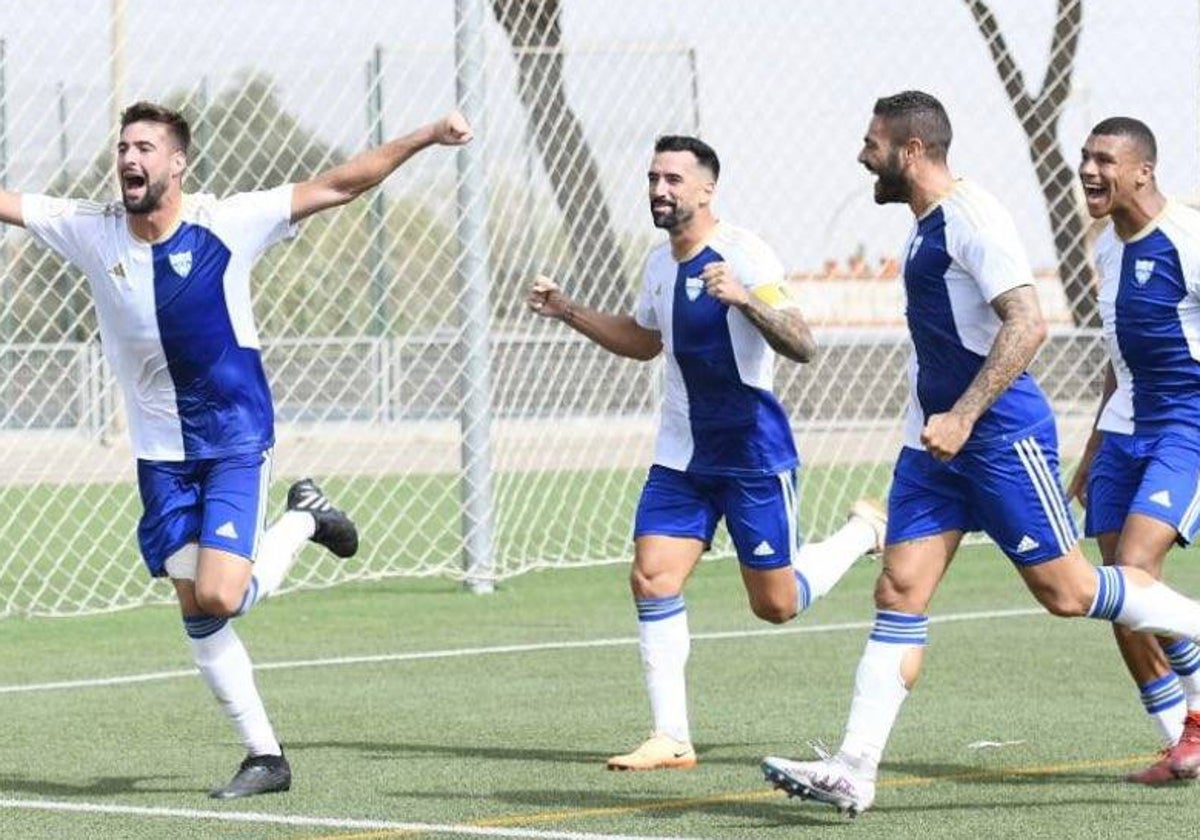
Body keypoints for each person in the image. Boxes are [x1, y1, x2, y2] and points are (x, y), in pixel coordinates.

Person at [0, 101, 472, 798]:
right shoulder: (90, 230)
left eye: (145, 148)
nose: (130, 159)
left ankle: (304, 517)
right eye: (124, 147)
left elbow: (340, 184)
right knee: (196, 607)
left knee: (221, 594)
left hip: (232, 440)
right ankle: (266, 758)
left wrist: (429, 135)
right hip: (159, 457)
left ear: (177, 163)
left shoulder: (227, 222)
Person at [760, 91, 1200, 817]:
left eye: (871, 142)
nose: (861, 154)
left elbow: (1027, 326)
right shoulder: (921, 228)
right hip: (936, 451)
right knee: (899, 591)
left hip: (999, 438)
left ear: (909, 151)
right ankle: (854, 769)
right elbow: (938, 350)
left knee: (1071, 594)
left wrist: (963, 418)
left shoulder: (974, 218)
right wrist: (922, 437)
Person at [526, 134, 887, 772]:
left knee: (774, 605)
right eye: (653, 179)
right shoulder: (658, 264)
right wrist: (566, 311)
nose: (659, 191)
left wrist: (744, 299)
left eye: (672, 180)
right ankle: (671, 736)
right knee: (651, 576)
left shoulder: (745, 255)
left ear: (705, 189)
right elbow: (643, 342)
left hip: (752, 455)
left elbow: (802, 343)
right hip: (680, 458)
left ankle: (861, 532)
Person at [1068, 116, 1200, 785]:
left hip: (1188, 424)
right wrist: (1092, 450)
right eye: (1085, 158)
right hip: (1123, 429)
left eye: (1104, 160)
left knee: (1136, 568)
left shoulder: (1190, 237)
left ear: (1143, 170)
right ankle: (1177, 741)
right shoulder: (1107, 251)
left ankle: (1199, 718)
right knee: (1113, 590)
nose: (1089, 171)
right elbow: (1116, 363)